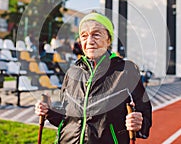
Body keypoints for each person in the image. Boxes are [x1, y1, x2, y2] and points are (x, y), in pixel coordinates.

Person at [35, 12, 152, 143]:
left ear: (108, 40)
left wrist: (139, 123)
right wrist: (49, 111)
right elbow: (68, 119)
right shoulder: (72, 72)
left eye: (96, 34)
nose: (89, 41)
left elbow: (145, 114)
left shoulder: (126, 70)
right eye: (84, 36)